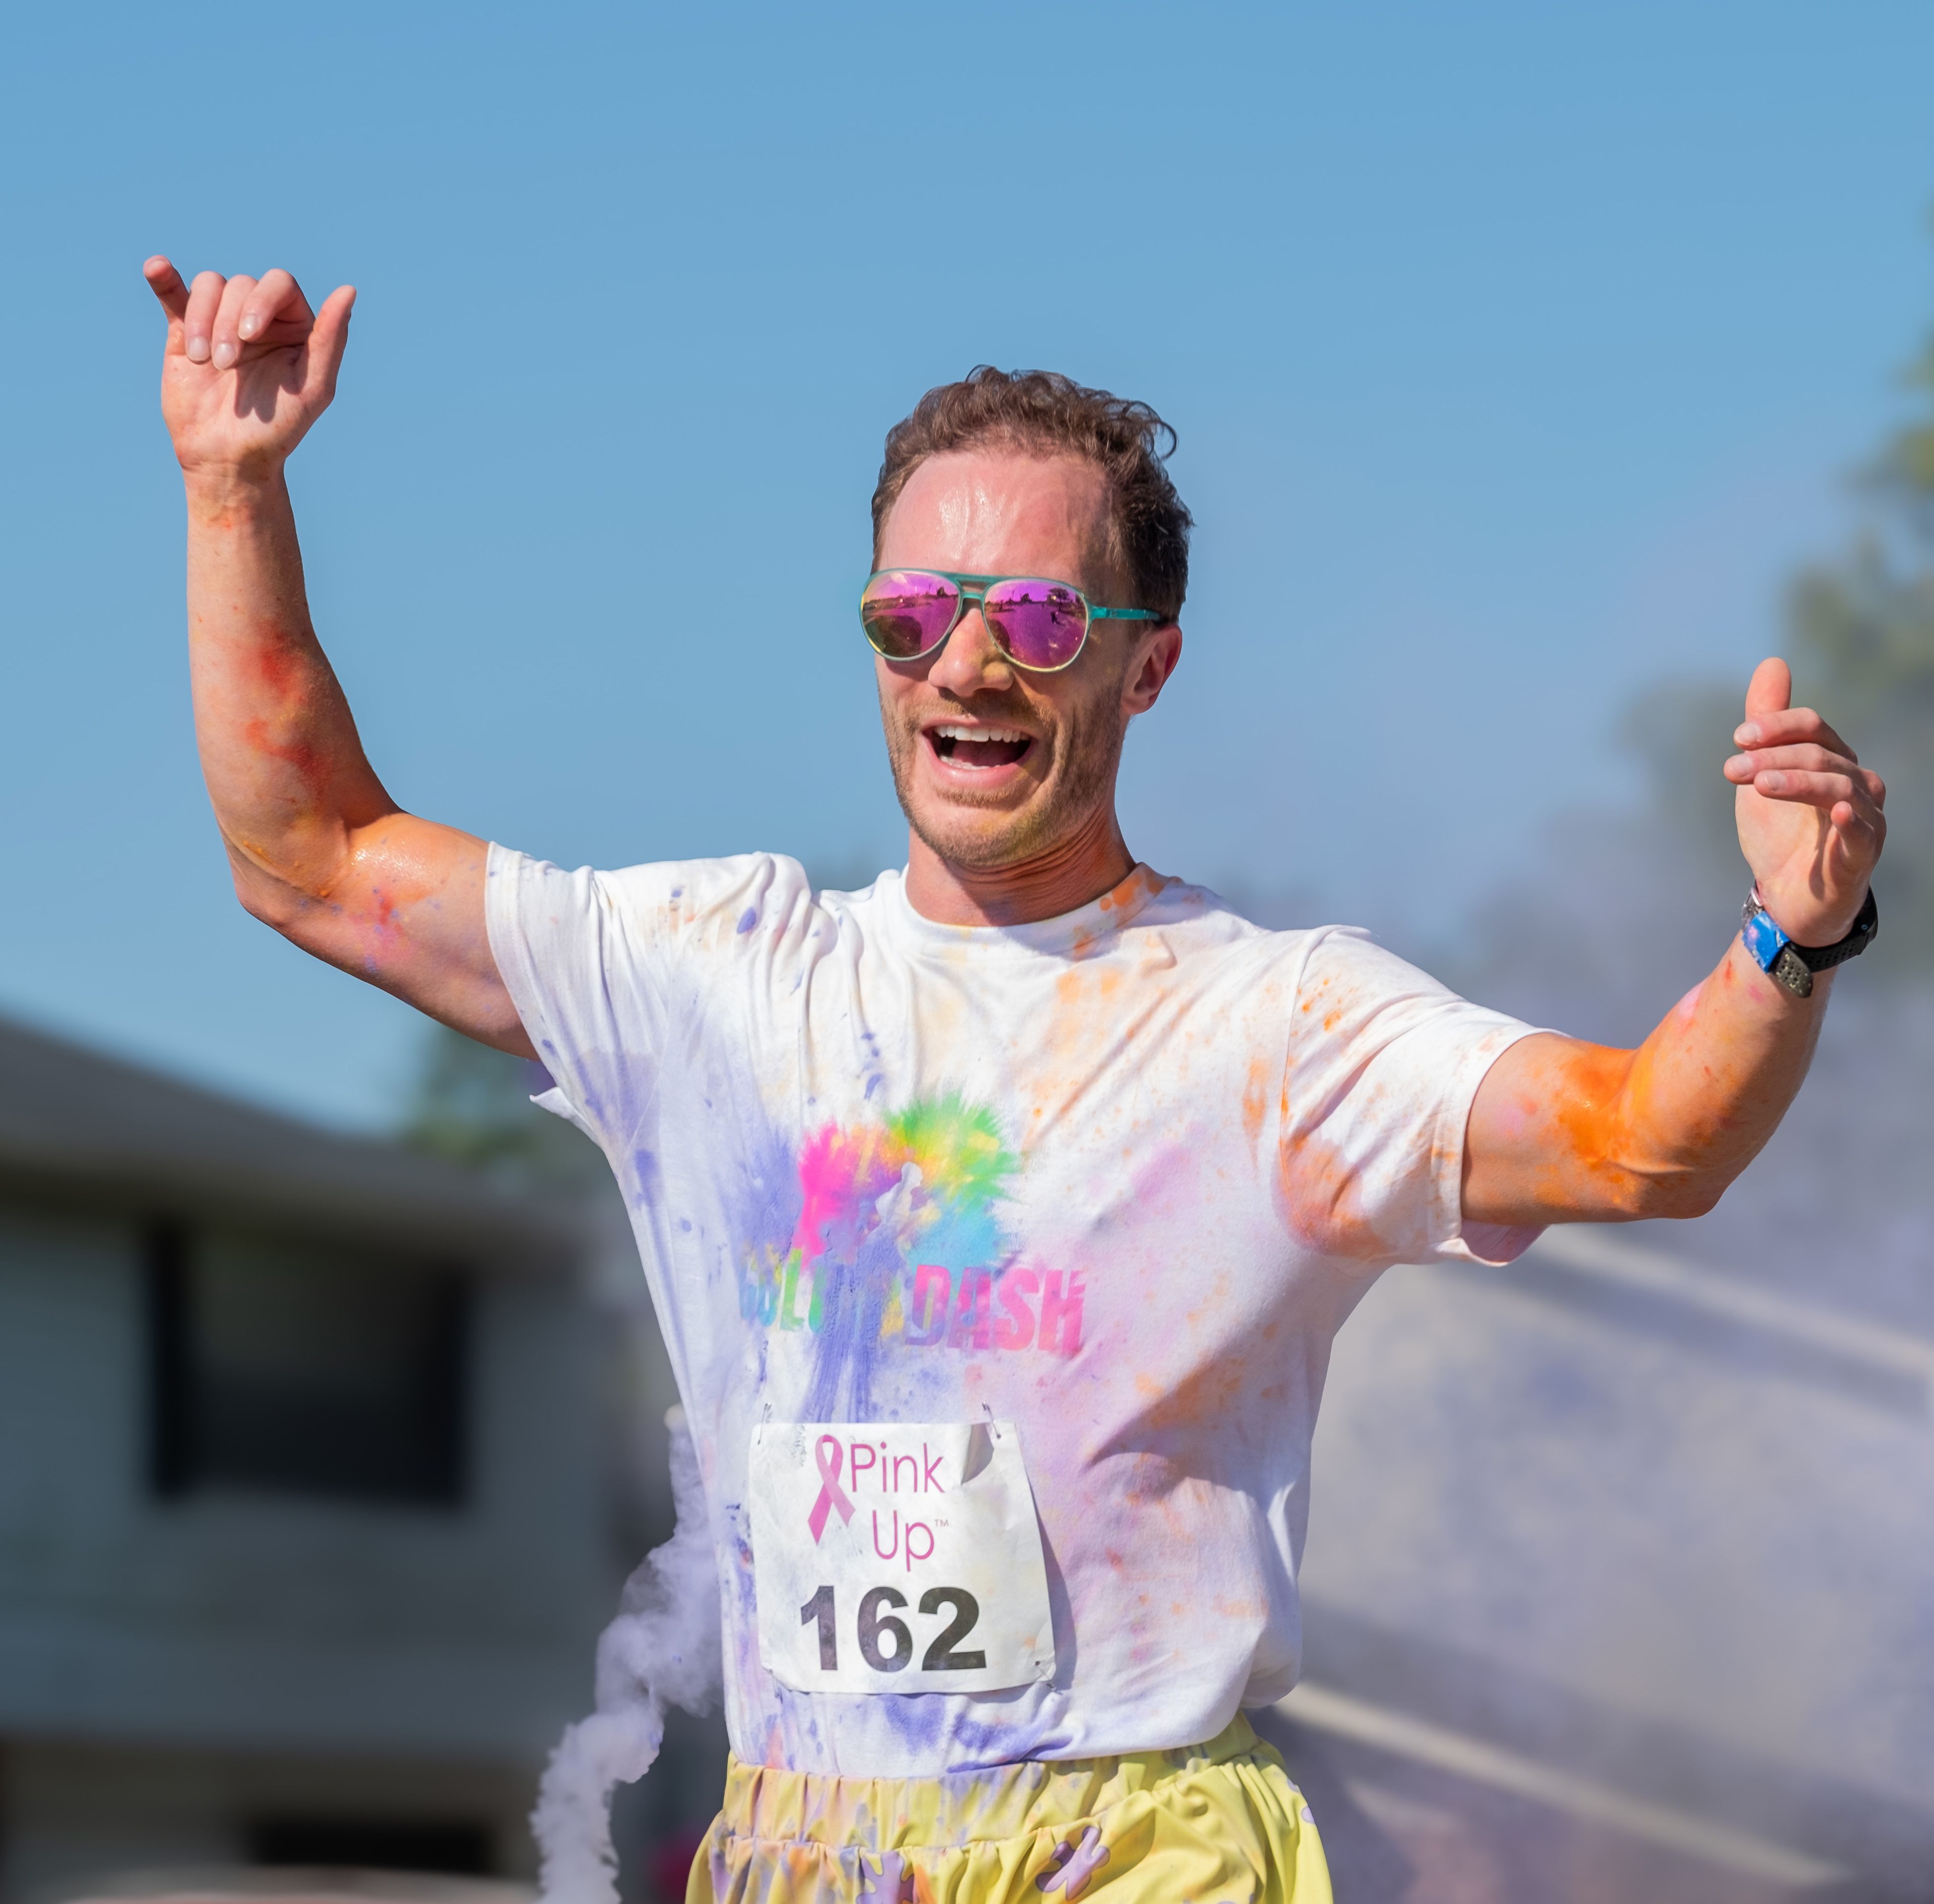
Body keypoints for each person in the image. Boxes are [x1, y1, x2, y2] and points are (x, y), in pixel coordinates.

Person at [142, 255, 1886, 1904]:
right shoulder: (721, 973)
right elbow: (308, 856)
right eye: (913, 614)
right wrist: (234, 485)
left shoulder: (1275, 1026)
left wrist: (1787, 942)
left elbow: (1649, 1142)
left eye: (1041, 616)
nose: (969, 664)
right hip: (808, 1845)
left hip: (1130, 1847)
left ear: (1150, 660)